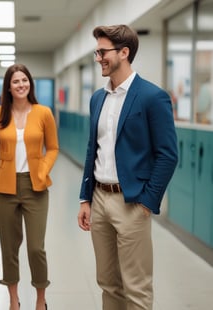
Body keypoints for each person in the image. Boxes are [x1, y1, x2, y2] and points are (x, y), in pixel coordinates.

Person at [77, 25, 178, 310]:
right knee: (108, 284)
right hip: (99, 198)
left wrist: (147, 201)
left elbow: (168, 155)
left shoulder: (151, 97)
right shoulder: (98, 97)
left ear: (124, 52)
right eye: (97, 52)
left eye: (102, 52)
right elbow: (91, 149)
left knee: (136, 288)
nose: (98, 58)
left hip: (132, 202)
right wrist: (85, 198)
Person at [0, 64, 59, 310]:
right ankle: (13, 299)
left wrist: (43, 169)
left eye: (25, 80)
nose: (21, 85)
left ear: (30, 84)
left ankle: (40, 299)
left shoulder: (43, 113)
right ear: (8, 86)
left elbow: (53, 148)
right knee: (9, 246)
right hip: (5, 187)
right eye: (16, 81)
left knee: (36, 247)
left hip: (35, 186)